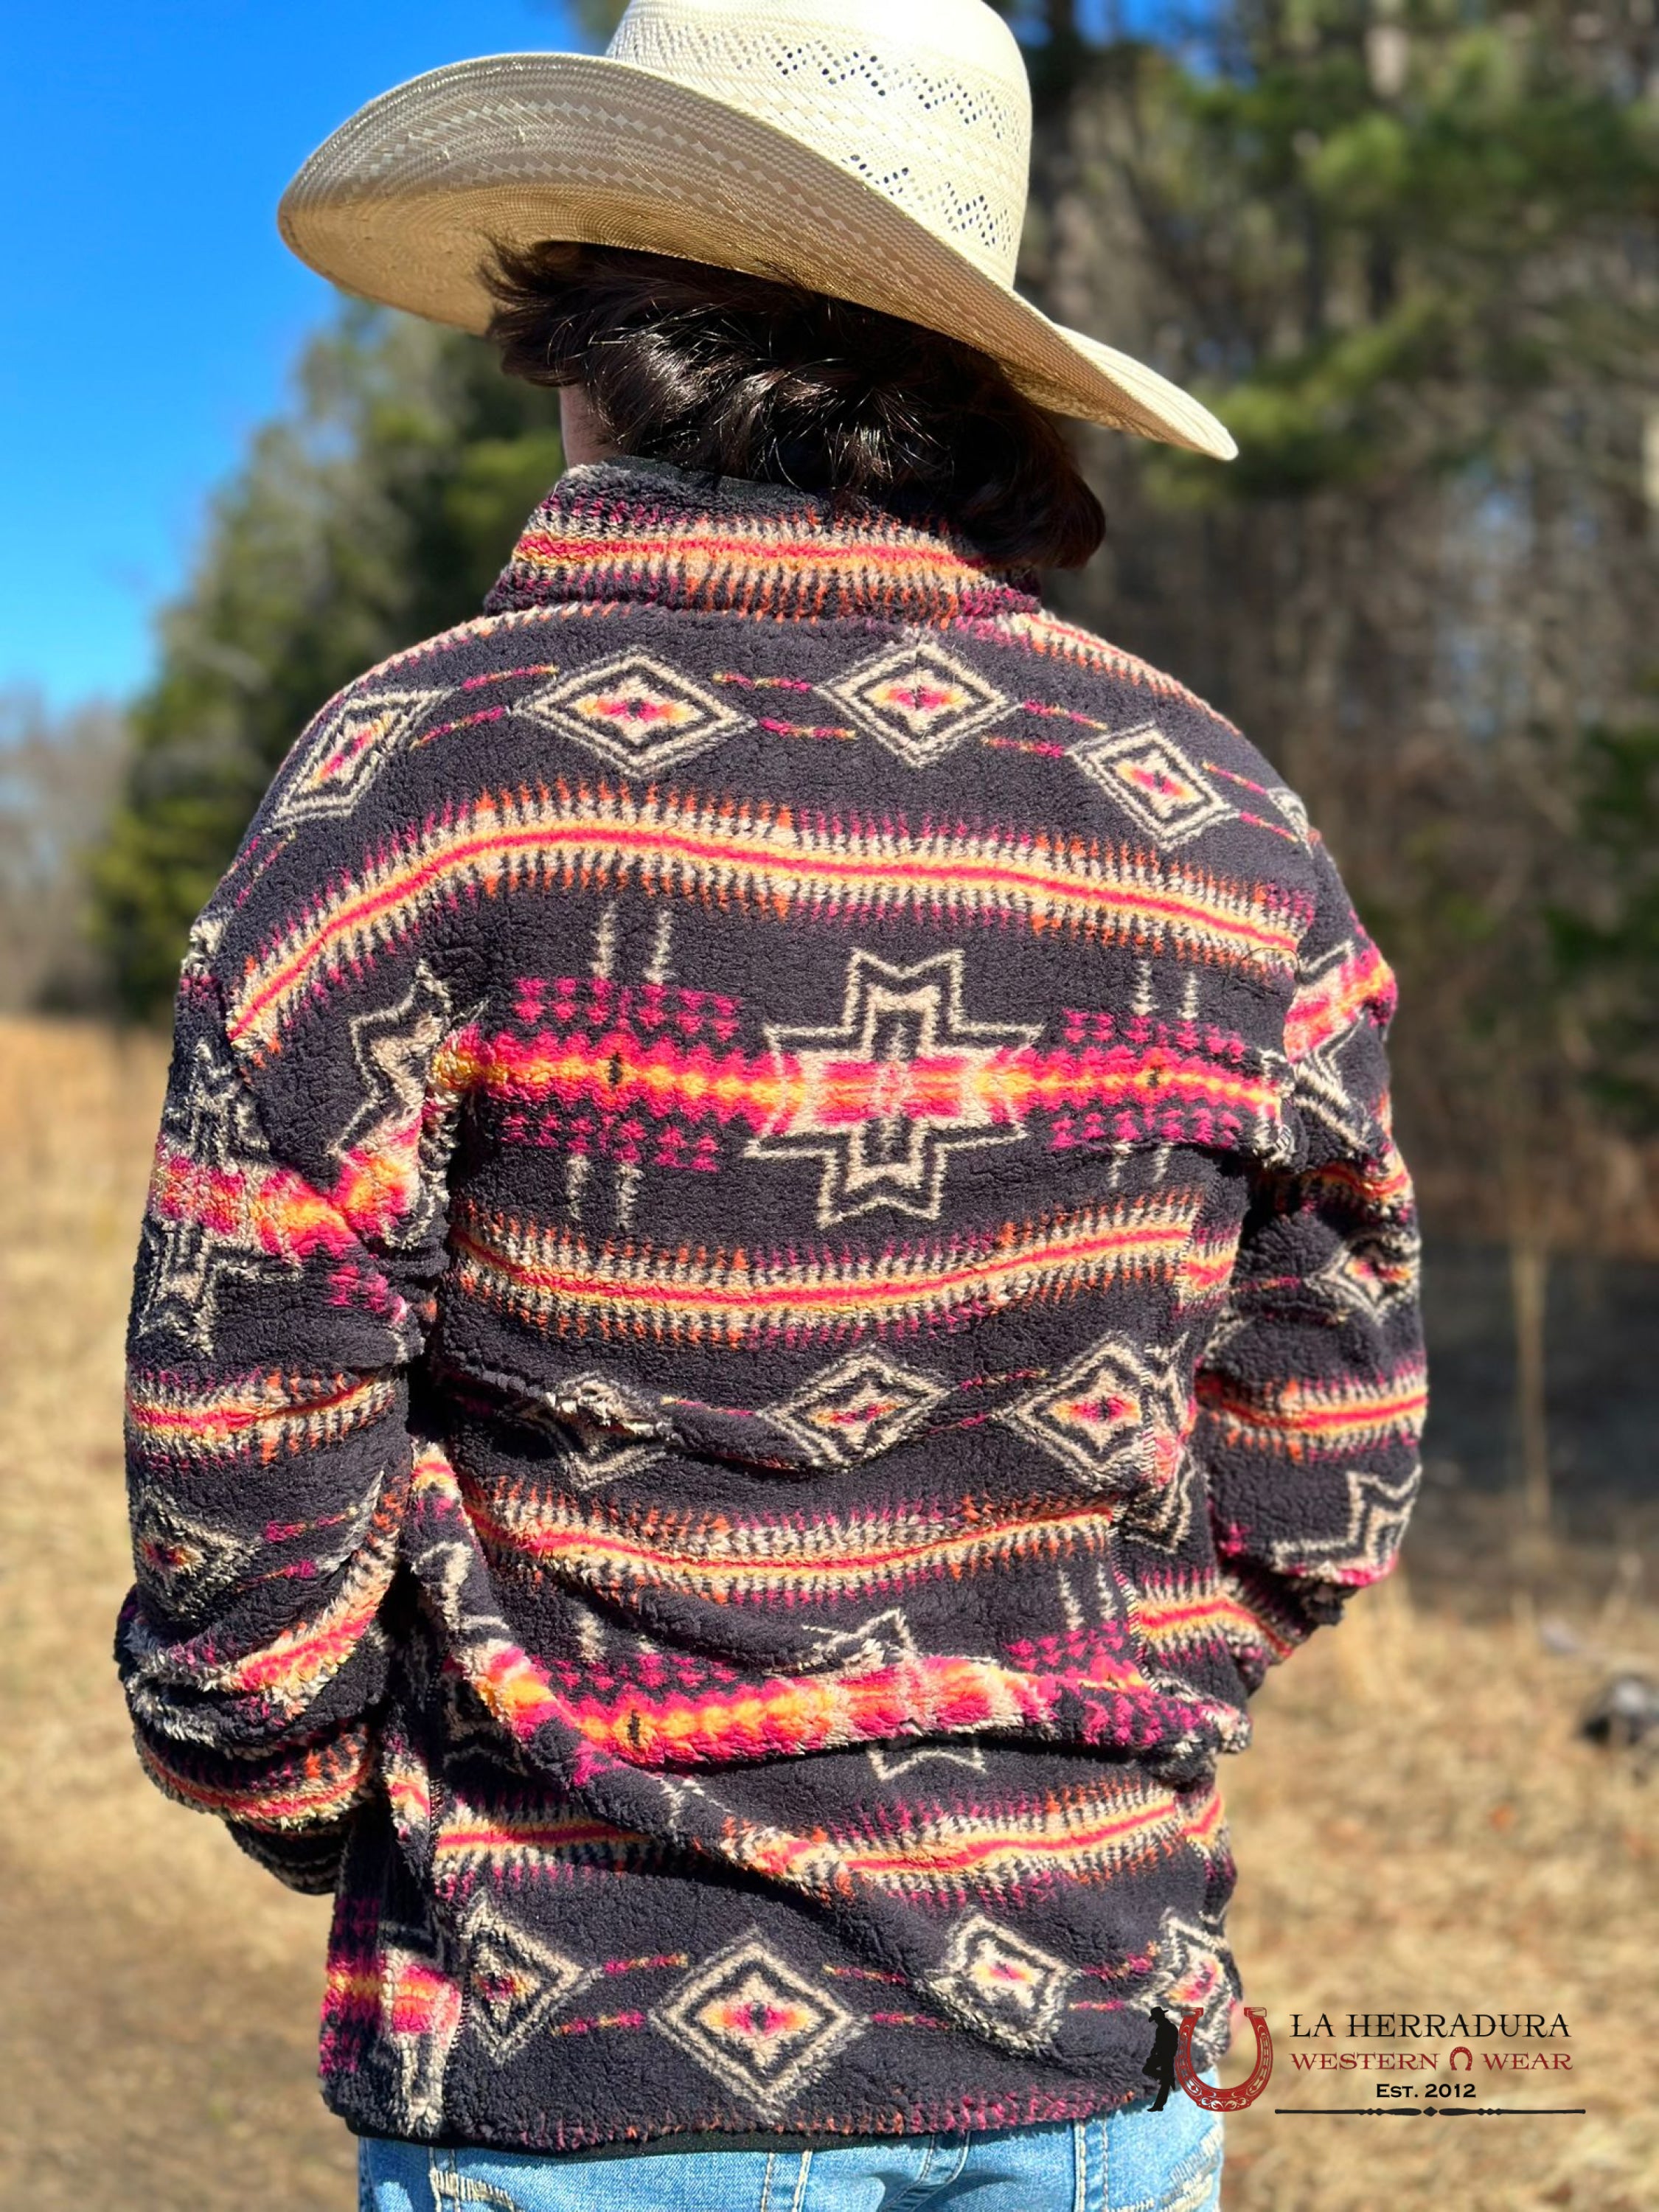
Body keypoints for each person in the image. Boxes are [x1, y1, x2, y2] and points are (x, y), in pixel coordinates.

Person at [115, 3, 1427, 2208]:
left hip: (569, 2034)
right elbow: (1328, 1452)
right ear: (975, 376)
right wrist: (1080, 1722)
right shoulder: (1217, 815)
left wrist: (314, 1780)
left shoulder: (421, 780)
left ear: (590, 323)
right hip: (1085, 2049)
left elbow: (244, 1429)